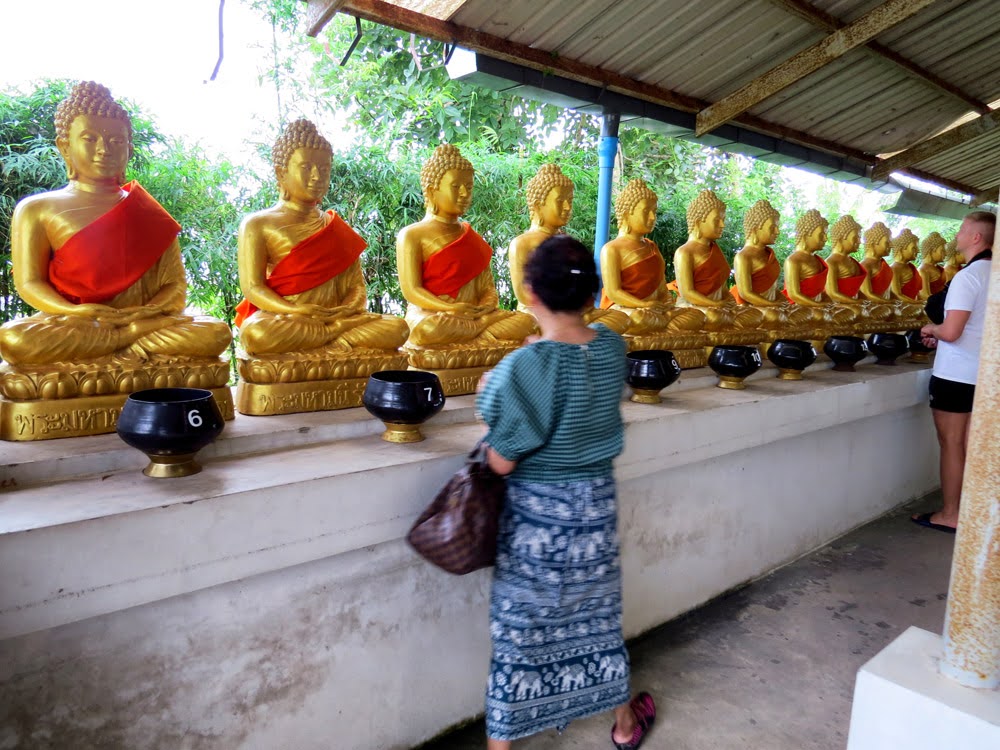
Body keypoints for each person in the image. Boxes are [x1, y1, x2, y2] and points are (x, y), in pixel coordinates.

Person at [477, 235, 656, 750]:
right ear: (595, 293)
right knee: (596, 619)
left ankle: (503, 744)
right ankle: (624, 725)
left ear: (528, 292)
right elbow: (575, 364)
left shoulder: (522, 368)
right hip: (595, 511)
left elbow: (502, 459)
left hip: (539, 523)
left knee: (520, 633)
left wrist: (495, 388)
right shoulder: (611, 346)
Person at [0, 81, 231, 381]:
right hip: (78, 324)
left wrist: (144, 313)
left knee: (214, 333)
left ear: (129, 149)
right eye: (89, 138)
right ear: (64, 146)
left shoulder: (147, 212)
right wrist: (74, 312)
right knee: (15, 339)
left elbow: (175, 289)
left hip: (144, 322)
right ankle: (127, 344)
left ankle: (117, 347)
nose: (103, 149)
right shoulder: (38, 209)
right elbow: (30, 284)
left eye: (116, 141)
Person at [235, 119, 408, 357]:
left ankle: (328, 338)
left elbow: (356, 287)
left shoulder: (333, 227)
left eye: (324, 170)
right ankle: (335, 338)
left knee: (397, 328)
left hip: (336, 318)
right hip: (289, 319)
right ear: (281, 173)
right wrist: (294, 311)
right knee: (257, 334)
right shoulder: (257, 224)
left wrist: (346, 310)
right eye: (306, 168)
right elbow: (253, 288)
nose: (317, 176)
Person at [913, 211, 995, 533]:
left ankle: (950, 514)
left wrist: (931, 328)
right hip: (984, 374)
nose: (957, 234)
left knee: (951, 442)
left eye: (962, 229)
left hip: (956, 376)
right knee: (973, 445)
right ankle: (973, 511)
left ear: (976, 237)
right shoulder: (995, 274)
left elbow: (953, 332)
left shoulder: (968, 276)